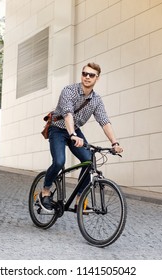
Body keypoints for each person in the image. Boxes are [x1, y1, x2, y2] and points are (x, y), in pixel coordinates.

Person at [38, 62, 124, 213]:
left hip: (75, 131)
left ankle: (80, 201)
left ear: (97, 78)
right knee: (59, 161)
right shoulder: (69, 91)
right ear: (81, 75)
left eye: (91, 75)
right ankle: (45, 191)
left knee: (89, 161)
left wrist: (114, 143)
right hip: (58, 129)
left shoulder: (96, 100)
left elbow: (104, 121)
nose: (87, 77)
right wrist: (72, 134)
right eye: (85, 74)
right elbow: (67, 114)